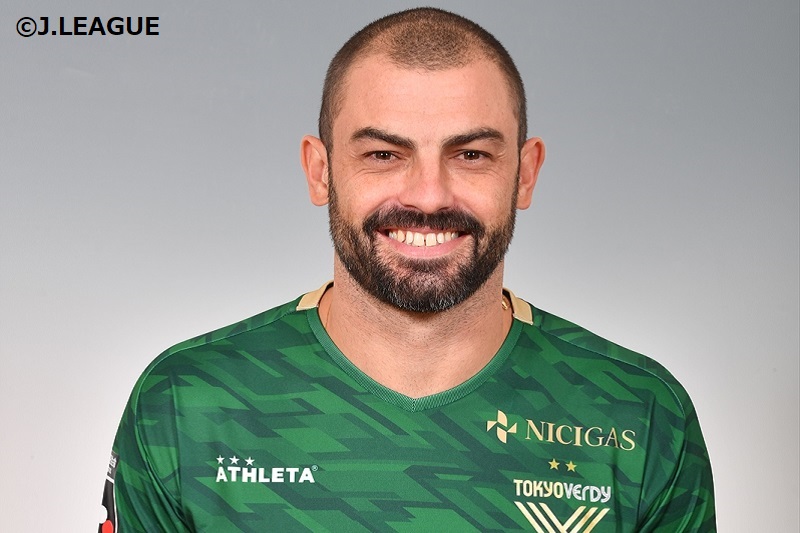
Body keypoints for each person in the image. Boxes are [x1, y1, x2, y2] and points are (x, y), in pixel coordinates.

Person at [99, 7, 715, 532]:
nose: (427, 195)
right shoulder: (187, 404)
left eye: (470, 154)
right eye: (383, 154)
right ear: (320, 171)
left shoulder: (639, 415)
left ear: (525, 174)